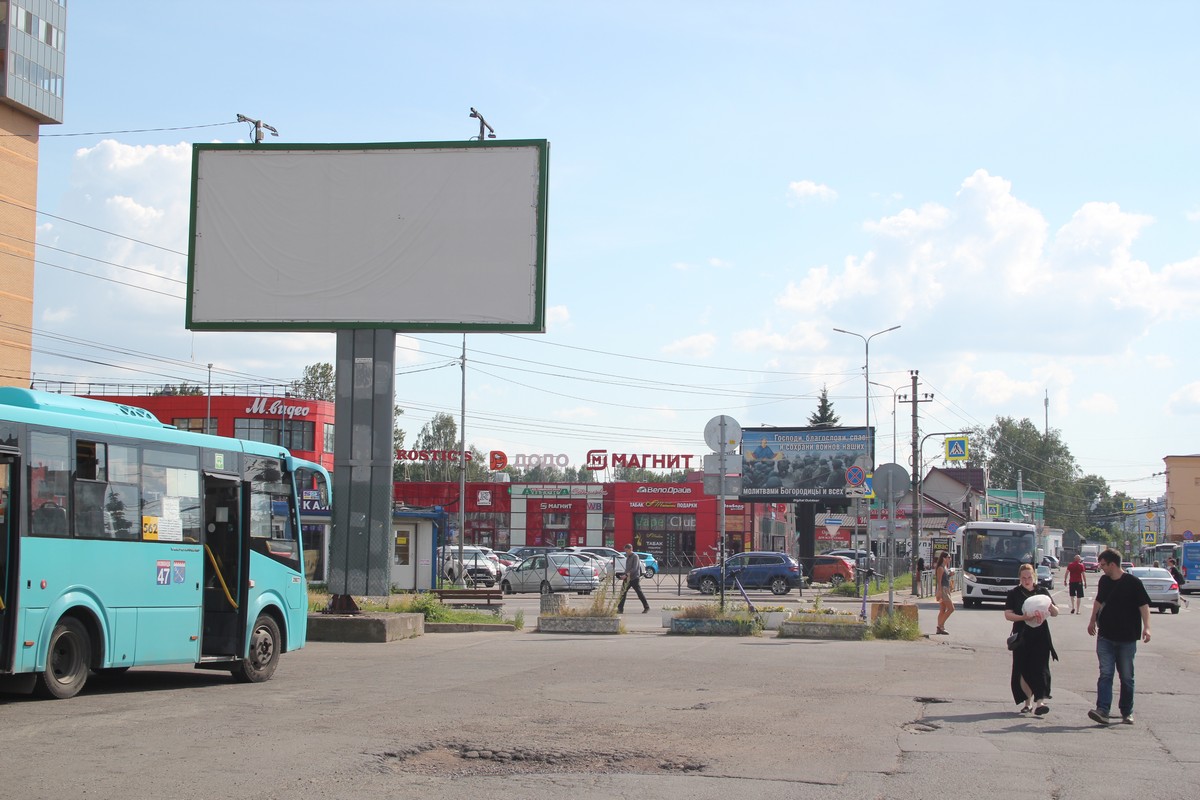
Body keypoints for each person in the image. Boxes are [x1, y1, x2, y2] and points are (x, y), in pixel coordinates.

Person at [1086, 548, 1152, 726]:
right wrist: (1092, 620)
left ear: (1113, 564)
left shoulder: (1133, 582)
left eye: (1103, 565)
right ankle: (1103, 710)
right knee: (1106, 674)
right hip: (1105, 636)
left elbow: (1143, 606)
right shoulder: (1104, 581)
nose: (1101, 568)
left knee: (1127, 676)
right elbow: (1099, 601)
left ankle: (1127, 711)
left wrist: (1147, 628)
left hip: (1127, 638)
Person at [1004, 563, 1059, 715]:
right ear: (1019, 578)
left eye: (1029, 577)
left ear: (1034, 577)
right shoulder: (1014, 593)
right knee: (1023, 668)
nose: (1027, 580)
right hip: (1022, 634)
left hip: (1041, 633)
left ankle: (1040, 702)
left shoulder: (1041, 591)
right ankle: (1027, 703)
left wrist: (1051, 608)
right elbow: (1008, 614)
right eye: (1024, 578)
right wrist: (1023, 617)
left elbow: (1055, 612)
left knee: (1041, 667)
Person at [616, 543, 650, 614]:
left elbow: (634, 568)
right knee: (622, 593)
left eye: (627, 551)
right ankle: (620, 609)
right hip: (627, 578)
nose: (626, 552)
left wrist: (626, 575)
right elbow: (627, 568)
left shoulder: (635, 556)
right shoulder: (628, 557)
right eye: (625, 551)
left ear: (631, 549)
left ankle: (646, 607)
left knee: (639, 593)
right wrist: (623, 575)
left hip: (634, 578)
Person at [934, 551, 954, 635]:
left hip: (946, 589)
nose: (950, 559)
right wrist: (939, 591)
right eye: (948, 557)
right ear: (944, 558)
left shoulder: (945, 567)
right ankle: (940, 626)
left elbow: (944, 578)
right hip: (943, 589)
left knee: (942, 609)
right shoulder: (941, 568)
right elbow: (939, 580)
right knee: (951, 608)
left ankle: (939, 627)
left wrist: (950, 575)